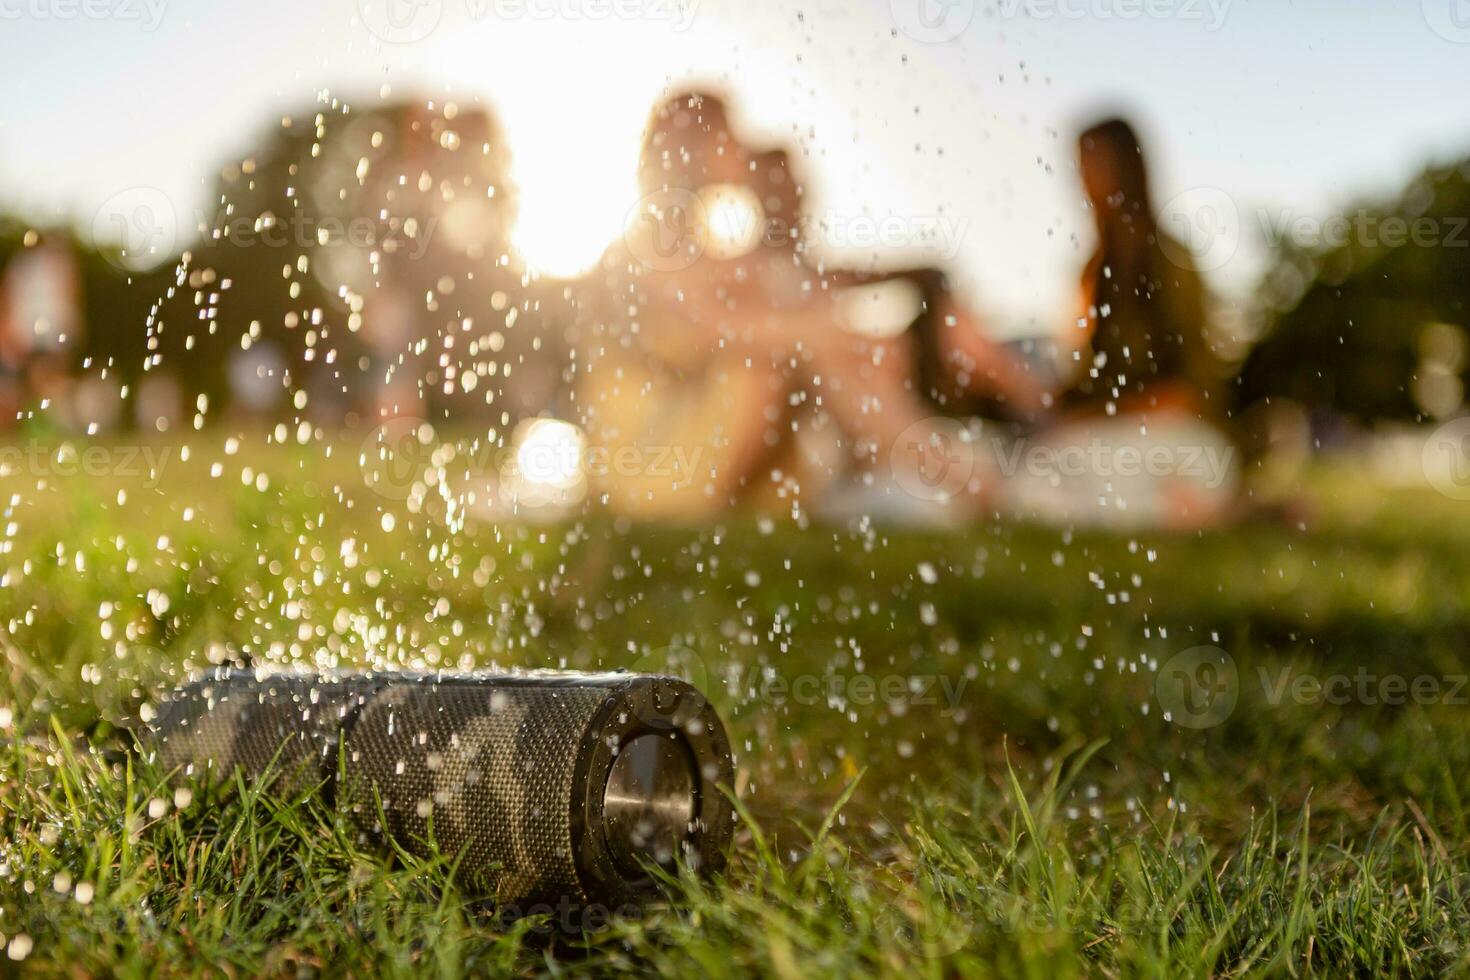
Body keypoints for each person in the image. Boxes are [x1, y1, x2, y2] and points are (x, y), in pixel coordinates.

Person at [572, 90, 1042, 520]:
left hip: (702, 443)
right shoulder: (653, 243)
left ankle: (932, 471)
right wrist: (829, 332)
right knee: (782, 353)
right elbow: (725, 331)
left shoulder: (702, 245)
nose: (742, 147)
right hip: (652, 463)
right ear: (695, 146)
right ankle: (962, 479)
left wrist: (849, 335)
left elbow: (793, 298)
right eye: (728, 135)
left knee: (816, 337)